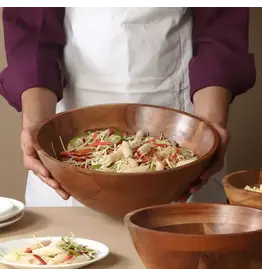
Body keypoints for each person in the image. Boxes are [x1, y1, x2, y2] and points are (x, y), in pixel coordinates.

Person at [0, 4, 255, 207]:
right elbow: (32, 31)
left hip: (180, 134)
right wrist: (36, 123)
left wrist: (209, 127)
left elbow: (221, 25)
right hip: (70, 147)